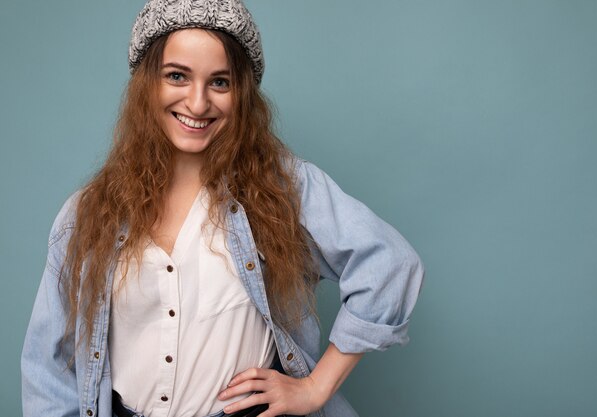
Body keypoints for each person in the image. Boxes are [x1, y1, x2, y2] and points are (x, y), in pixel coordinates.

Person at [21, 1, 424, 416]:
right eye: (177, 76)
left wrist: (315, 388)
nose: (197, 104)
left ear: (242, 93)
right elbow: (48, 370)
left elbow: (390, 265)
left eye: (220, 82)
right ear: (147, 84)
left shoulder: (284, 189)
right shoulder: (88, 213)